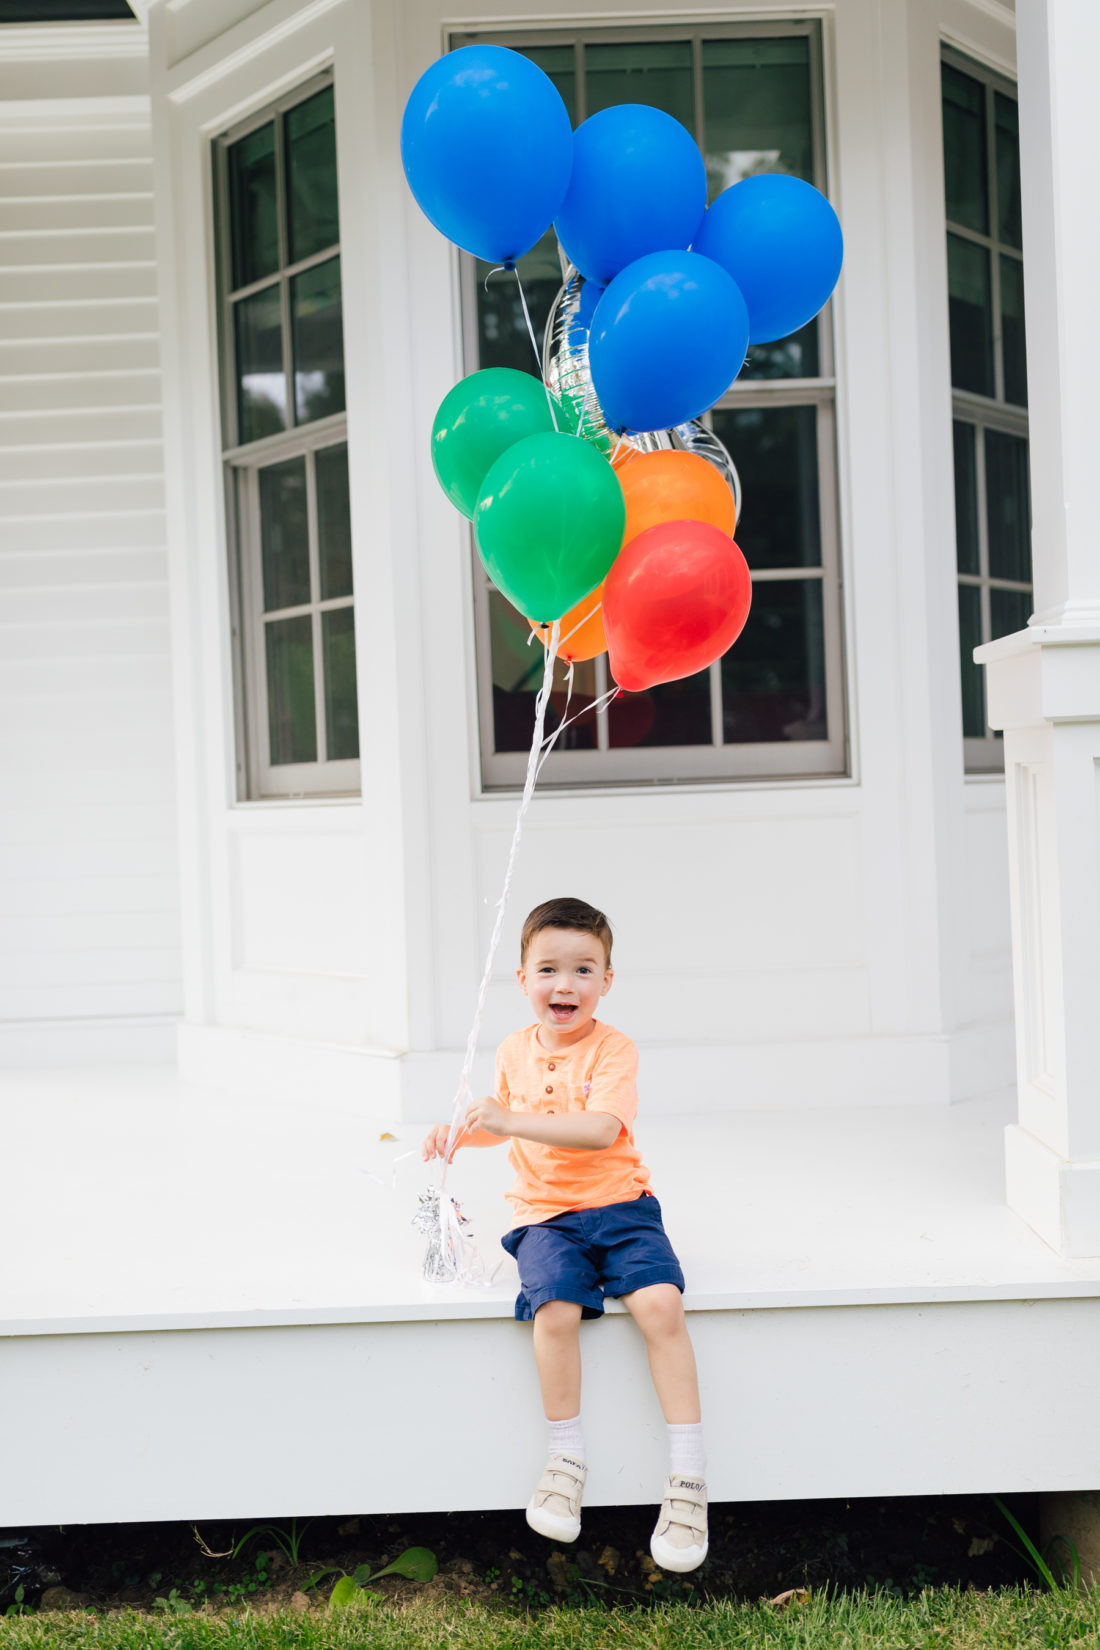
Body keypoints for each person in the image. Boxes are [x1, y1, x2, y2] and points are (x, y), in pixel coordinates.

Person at [421, 895, 707, 1572]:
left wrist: (509, 1122)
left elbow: (600, 1130)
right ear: (522, 979)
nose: (565, 984)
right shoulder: (514, 1050)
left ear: (607, 981)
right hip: (545, 1213)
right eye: (548, 969)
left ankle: (689, 1478)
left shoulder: (613, 1049)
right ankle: (566, 1457)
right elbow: (505, 1127)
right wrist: (465, 1133)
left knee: (659, 1304)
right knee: (553, 1312)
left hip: (620, 1205)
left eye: (584, 970)